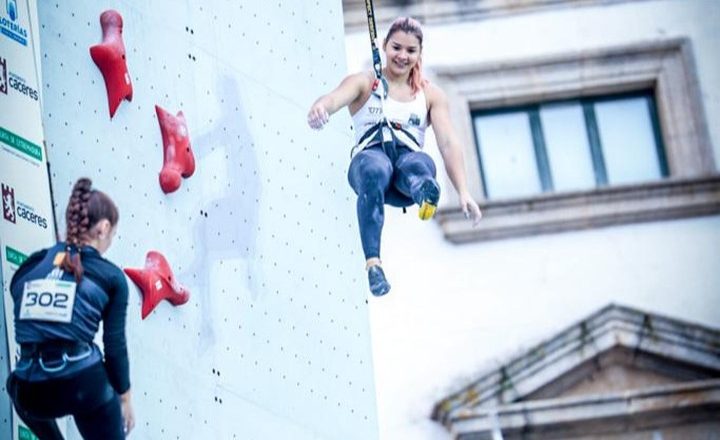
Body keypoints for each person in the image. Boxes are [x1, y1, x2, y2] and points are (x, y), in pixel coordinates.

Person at [307, 17, 482, 296]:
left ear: (419, 55)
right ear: (384, 46)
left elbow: (448, 142)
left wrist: (463, 191)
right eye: (396, 48)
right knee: (375, 167)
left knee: (419, 163)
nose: (402, 56)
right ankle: (374, 264)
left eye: (410, 51)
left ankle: (423, 191)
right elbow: (334, 98)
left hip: (404, 173)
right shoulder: (365, 83)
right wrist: (321, 109)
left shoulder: (430, 94)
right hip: (371, 167)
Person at [6, 178, 135, 439]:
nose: (111, 240)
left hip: (29, 390)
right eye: (113, 234)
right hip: (81, 384)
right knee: (92, 379)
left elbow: (16, 290)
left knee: (17, 385)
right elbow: (115, 345)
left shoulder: (31, 266)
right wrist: (125, 399)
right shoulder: (111, 277)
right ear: (104, 228)